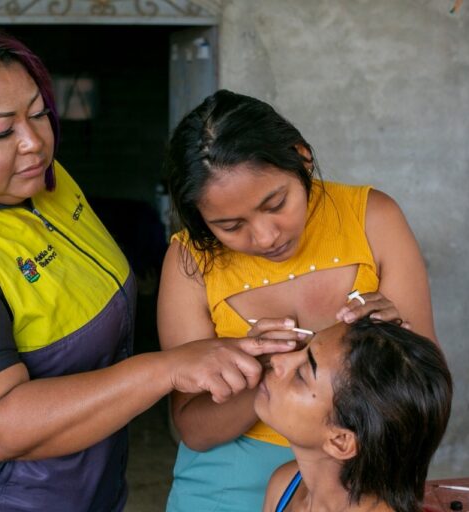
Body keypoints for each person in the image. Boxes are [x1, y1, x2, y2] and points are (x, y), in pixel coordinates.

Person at [0, 21, 296, 512]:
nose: (35, 142)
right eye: (0, 132)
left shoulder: (37, 182)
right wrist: (167, 368)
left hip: (68, 481)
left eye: (39, 114)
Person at [159, 89, 439, 511]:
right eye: (230, 225)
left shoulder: (373, 219)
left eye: (276, 203)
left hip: (360, 484)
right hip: (224, 483)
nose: (266, 236)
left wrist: (399, 343)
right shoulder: (189, 260)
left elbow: (421, 400)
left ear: (302, 157)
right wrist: (262, 371)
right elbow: (192, 427)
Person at [258, 319, 452, 512]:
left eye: (301, 374)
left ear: (341, 441)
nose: (276, 360)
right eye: (304, 346)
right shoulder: (284, 485)